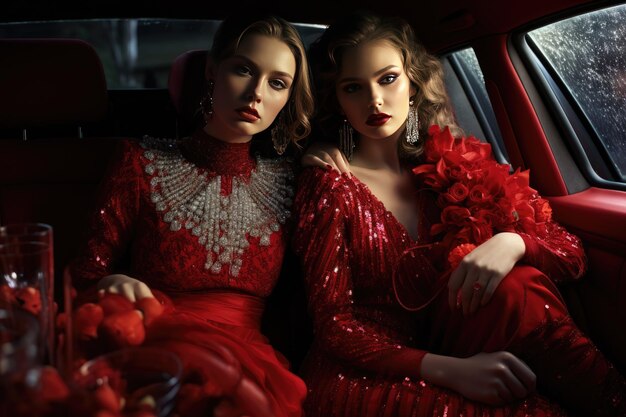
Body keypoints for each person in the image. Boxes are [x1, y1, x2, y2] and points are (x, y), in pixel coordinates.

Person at [292, 11, 626, 417]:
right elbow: (335, 327)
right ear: (338, 100)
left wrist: (514, 242)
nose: (375, 100)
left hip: (453, 345)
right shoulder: (329, 184)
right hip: (365, 370)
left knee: (519, 287)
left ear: (412, 83)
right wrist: (450, 370)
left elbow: (571, 254)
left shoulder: (449, 169)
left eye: (388, 79)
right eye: (353, 87)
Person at [68, 14, 336, 417]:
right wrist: (110, 280)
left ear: (287, 97)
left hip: (251, 364)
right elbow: (84, 274)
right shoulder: (140, 162)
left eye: (277, 83)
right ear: (213, 71)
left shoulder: (294, 179)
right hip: (155, 345)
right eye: (244, 70)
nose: (257, 93)